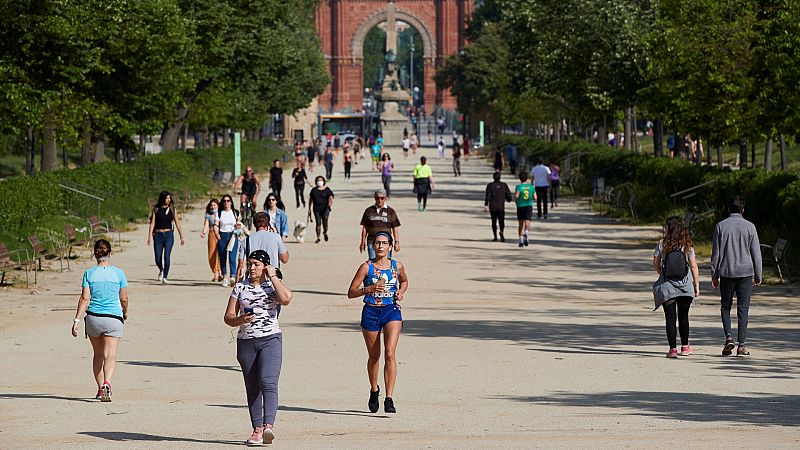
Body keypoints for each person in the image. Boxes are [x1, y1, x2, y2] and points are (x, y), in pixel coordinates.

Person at [224, 250, 292, 446]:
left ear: (265, 267)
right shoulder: (239, 288)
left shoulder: (272, 286)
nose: (251, 267)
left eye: (256, 264)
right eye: (250, 264)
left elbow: (286, 299)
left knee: (268, 382)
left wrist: (273, 276)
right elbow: (228, 317)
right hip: (246, 342)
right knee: (253, 388)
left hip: (270, 339)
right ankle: (257, 430)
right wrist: (240, 319)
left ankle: (268, 425)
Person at [346, 232, 409, 414]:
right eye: (377, 243)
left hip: (391, 311)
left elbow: (404, 281)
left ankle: (389, 398)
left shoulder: (397, 266)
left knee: (390, 353)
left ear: (390, 246)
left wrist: (401, 292)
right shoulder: (366, 267)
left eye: (384, 243)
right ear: (372, 246)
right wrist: (369, 289)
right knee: (374, 356)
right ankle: (374, 390)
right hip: (371, 311)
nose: (380, 246)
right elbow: (351, 292)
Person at [71, 239, 129, 402]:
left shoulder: (89, 274)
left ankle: (99, 388)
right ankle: (107, 383)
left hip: (94, 318)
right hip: (113, 318)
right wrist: (125, 312)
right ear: (110, 254)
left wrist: (77, 320)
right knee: (110, 355)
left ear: (95, 254)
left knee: (98, 355)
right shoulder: (119, 273)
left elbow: (84, 298)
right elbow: (124, 298)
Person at [711, 195, 762, 357]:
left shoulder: (720, 226)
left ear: (728, 209)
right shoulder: (750, 227)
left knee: (725, 306)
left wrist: (714, 274)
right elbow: (756, 254)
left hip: (726, 272)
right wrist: (758, 274)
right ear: (743, 209)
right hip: (746, 273)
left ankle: (728, 337)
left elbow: (716, 254)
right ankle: (741, 346)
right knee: (743, 309)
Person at [652, 216, 700, 358]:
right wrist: (696, 285)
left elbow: (655, 263)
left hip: (668, 287)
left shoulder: (662, 244)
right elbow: (693, 266)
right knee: (684, 317)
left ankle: (672, 349)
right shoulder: (687, 245)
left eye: (665, 227)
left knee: (670, 318)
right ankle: (685, 347)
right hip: (685, 287)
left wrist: (663, 273)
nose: (664, 229)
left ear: (670, 229)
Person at [236, 212, 289, 282]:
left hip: (254, 280)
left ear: (254, 224)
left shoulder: (246, 240)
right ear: (268, 224)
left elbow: (240, 266)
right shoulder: (276, 237)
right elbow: (284, 259)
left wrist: (237, 287)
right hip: (272, 279)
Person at [146, 190, 185, 284]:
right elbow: (152, 223)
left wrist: (181, 236)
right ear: (162, 199)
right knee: (157, 257)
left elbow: (177, 223)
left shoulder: (172, 209)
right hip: (158, 235)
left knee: (167, 256)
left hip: (168, 235)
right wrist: (149, 237)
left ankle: (165, 277)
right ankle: (161, 269)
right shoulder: (156, 209)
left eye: (169, 198)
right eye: (166, 198)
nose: (168, 200)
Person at [359, 189, 401, 259]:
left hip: (386, 242)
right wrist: (362, 242)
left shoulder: (390, 211)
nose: (380, 200)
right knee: (373, 262)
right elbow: (365, 228)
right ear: (374, 198)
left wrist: (397, 242)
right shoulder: (369, 210)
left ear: (386, 198)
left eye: (382, 198)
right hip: (372, 242)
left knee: (386, 262)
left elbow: (395, 228)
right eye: (377, 198)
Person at [216, 194, 240, 287]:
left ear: (231, 202)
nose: (226, 202)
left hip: (233, 235)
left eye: (228, 201)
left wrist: (238, 227)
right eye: (224, 201)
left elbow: (239, 223)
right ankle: (225, 276)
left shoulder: (235, 212)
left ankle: (233, 276)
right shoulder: (219, 213)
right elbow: (216, 224)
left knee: (232, 257)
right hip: (222, 235)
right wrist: (217, 234)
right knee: (222, 257)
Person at [484, 172, 513, 242]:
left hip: (493, 207)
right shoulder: (504, 185)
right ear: (500, 177)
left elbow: (487, 196)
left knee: (494, 222)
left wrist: (486, 205)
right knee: (501, 221)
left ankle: (495, 236)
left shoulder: (490, 185)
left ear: (493, 177)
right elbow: (509, 195)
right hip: (501, 206)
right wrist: (509, 199)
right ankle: (501, 231)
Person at [200, 199, 222, 282]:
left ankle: (219, 272)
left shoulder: (221, 213)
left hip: (221, 233)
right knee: (211, 254)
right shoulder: (208, 215)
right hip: (212, 233)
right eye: (211, 205)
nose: (213, 207)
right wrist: (203, 232)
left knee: (220, 254)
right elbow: (206, 225)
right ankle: (215, 272)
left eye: (214, 205)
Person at [308, 175, 334, 243]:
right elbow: (310, 200)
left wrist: (330, 204)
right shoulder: (314, 190)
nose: (319, 182)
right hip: (316, 209)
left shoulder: (327, 189)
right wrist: (309, 208)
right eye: (318, 180)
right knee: (318, 223)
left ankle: (325, 232)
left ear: (323, 181)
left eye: (321, 180)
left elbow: (331, 197)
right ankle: (318, 237)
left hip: (325, 208)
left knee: (325, 221)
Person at [514, 172, 535, 248]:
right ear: (527, 178)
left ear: (520, 178)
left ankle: (521, 240)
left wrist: (516, 200)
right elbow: (535, 197)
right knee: (527, 222)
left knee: (520, 224)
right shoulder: (531, 187)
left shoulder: (518, 187)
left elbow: (516, 196)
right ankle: (526, 233)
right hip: (528, 206)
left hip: (520, 206)